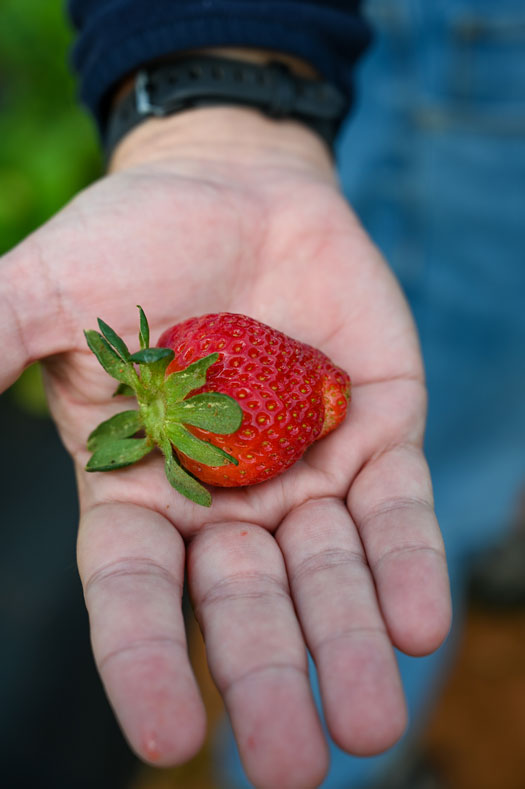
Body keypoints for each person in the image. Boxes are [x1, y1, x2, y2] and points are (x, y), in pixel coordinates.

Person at [6, 0, 522, 787]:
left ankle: (484, 524)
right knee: (437, 455)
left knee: (461, 439)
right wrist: (219, 97)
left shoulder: (217, 386)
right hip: (461, 56)